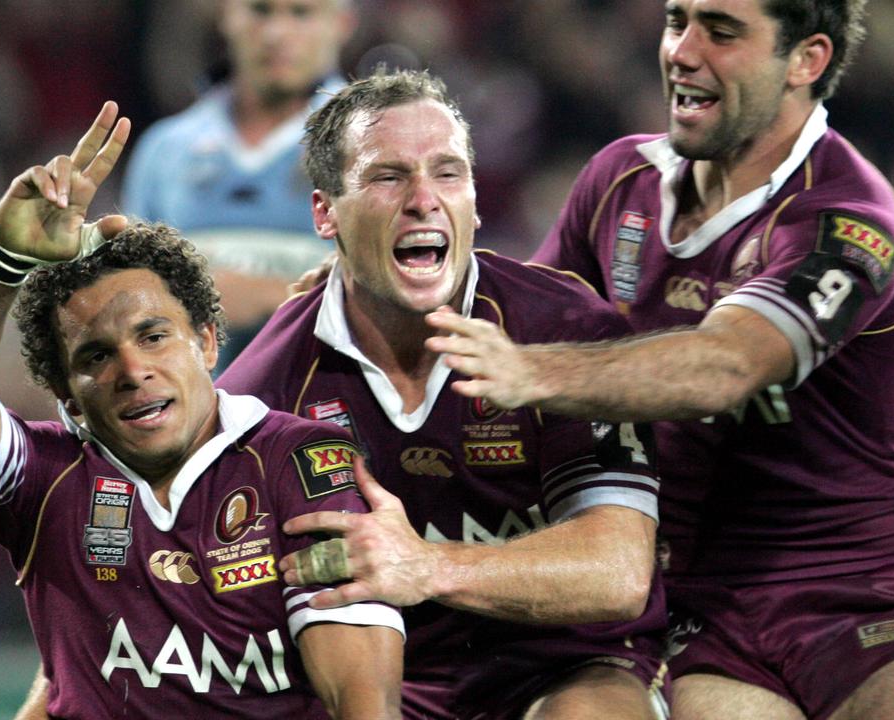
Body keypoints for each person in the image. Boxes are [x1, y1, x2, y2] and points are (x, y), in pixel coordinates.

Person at [425, 2, 894, 719]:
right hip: (698, 612)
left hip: (862, 589)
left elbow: (726, 366)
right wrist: (379, 300)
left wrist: (535, 372)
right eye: (676, 20)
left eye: (720, 32)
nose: (681, 51)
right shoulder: (616, 184)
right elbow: (511, 314)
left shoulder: (846, 220)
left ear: (806, 60)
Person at [0, 101, 403, 719]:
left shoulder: (301, 463)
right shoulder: (44, 479)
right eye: (97, 357)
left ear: (209, 342)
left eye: (154, 336)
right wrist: (4, 259)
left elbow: (361, 700)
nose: (133, 371)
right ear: (67, 395)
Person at [221, 69, 669, 719]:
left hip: (570, 664)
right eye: (388, 176)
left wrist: (426, 566)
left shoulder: (565, 334)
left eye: (448, 172)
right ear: (326, 212)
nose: (424, 199)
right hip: (381, 683)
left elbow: (618, 574)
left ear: (476, 202)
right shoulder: (266, 391)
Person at [122, 0, 357, 370]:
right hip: (197, 415)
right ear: (226, 16)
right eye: (260, 11)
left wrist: (273, 296)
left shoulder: (374, 144)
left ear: (342, 23)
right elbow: (127, 303)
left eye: (301, 13)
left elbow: (415, 300)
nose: (276, 33)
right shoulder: (164, 151)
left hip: (328, 410)